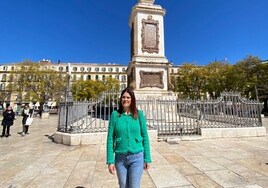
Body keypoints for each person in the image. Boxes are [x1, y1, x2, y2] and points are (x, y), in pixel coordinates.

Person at [106, 88, 152, 188]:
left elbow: (145, 136)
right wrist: (110, 161)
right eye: (123, 97)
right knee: (123, 186)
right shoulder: (115, 115)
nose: (125, 99)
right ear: (120, 99)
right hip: (120, 159)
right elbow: (110, 139)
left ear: (132, 99)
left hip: (137, 157)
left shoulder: (139, 114)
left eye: (128, 97)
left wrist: (147, 158)